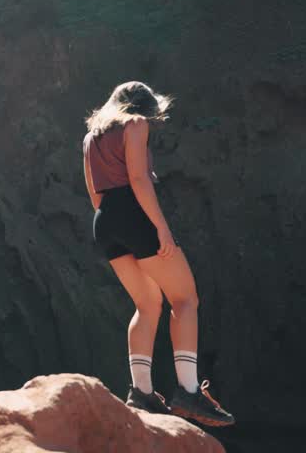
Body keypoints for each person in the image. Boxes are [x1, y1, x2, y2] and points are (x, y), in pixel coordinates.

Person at [82, 82, 234, 426]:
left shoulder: (91, 137)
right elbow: (138, 178)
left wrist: (114, 222)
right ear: (145, 106)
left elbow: (95, 194)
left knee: (147, 306)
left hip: (104, 220)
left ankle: (142, 393)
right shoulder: (135, 124)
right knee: (185, 300)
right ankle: (189, 392)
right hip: (134, 214)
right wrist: (160, 228)